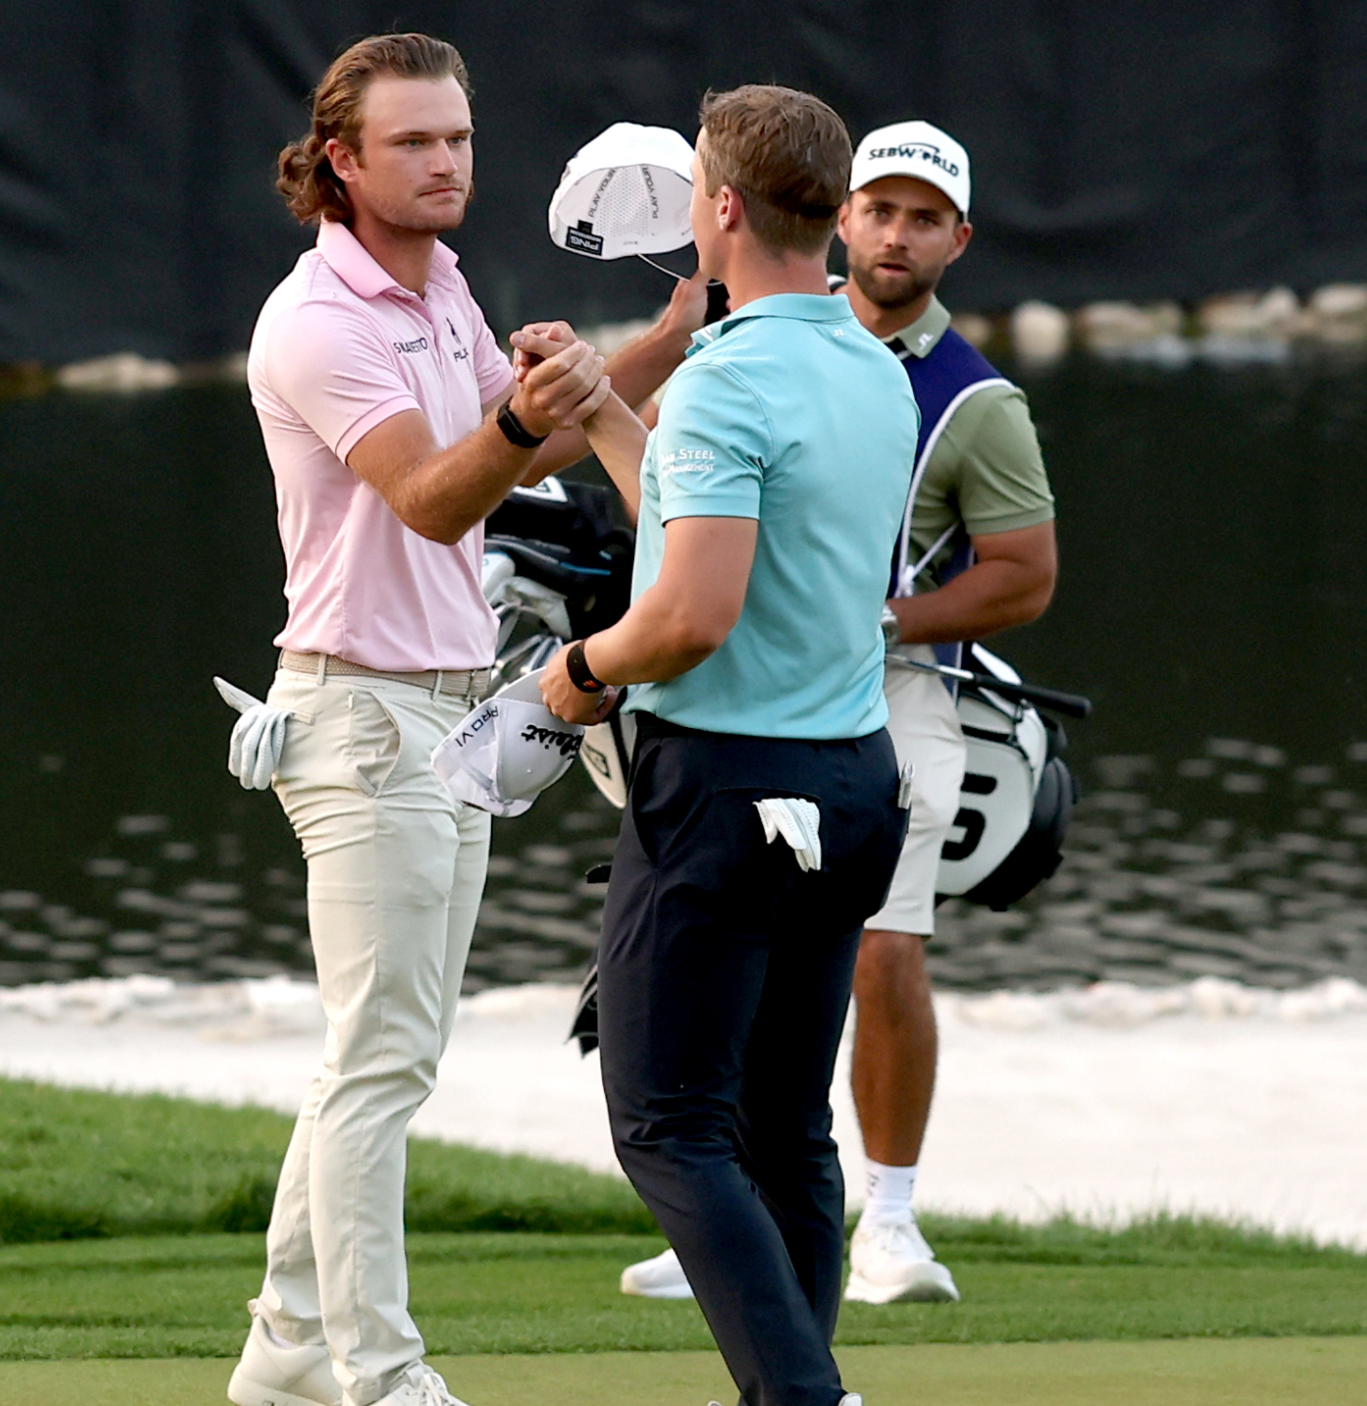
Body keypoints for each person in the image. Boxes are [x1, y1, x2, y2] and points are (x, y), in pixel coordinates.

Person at [229, 32, 705, 1406]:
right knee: (379, 1060)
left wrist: (655, 341)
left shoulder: (438, 288)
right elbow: (437, 494)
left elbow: (524, 456)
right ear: (342, 162)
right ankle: (380, 1373)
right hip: (361, 717)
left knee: (381, 1055)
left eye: (459, 141)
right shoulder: (318, 318)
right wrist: (513, 408)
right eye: (415, 145)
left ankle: (282, 1351)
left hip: (448, 713)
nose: (447, 166)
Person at [617, 121, 1059, 1305]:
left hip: (889, 692)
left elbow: (1023, 575)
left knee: (883, 942)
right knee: (756, 1017)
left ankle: (890, 1215)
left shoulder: (969, 398)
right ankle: (731, 1218)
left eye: (924, 216)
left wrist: (576, 673)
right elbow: (682, 519)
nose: (897, 232)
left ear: (955, 240)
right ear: (838, 216)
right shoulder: (769, 352)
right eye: (881, 208)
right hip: (764, 698)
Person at [538, 85, 915, 1406]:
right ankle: (798, 1386)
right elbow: (711, 533)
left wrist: (575, 672)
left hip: (724, 793)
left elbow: (689, 611)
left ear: (723, 208)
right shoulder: (873, 364)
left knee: (668, 1129)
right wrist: (603, 414)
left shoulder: (726, 380)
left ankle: (807, 1399)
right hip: (856, 786)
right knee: (783, 1132)